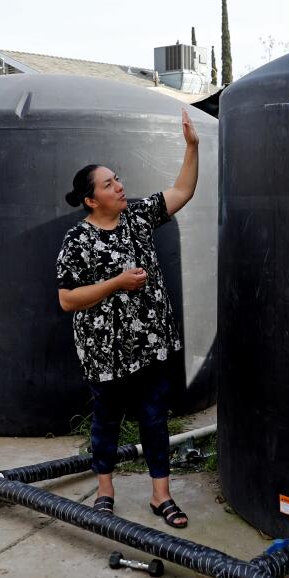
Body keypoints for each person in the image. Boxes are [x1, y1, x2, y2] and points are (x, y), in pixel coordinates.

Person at [55, 109, 200, 529]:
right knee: (107, 421)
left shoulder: (138, 217)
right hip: (106, 351)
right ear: (90, 199)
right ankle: (105, 490)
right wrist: (116, 282)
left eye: (117, 179)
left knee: (154, 418)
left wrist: (191, 147)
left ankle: (161, 496)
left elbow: (182, 191)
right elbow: (67, 299)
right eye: (108, 183)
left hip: (151, 344)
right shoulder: (77, 239)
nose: (119, 186)